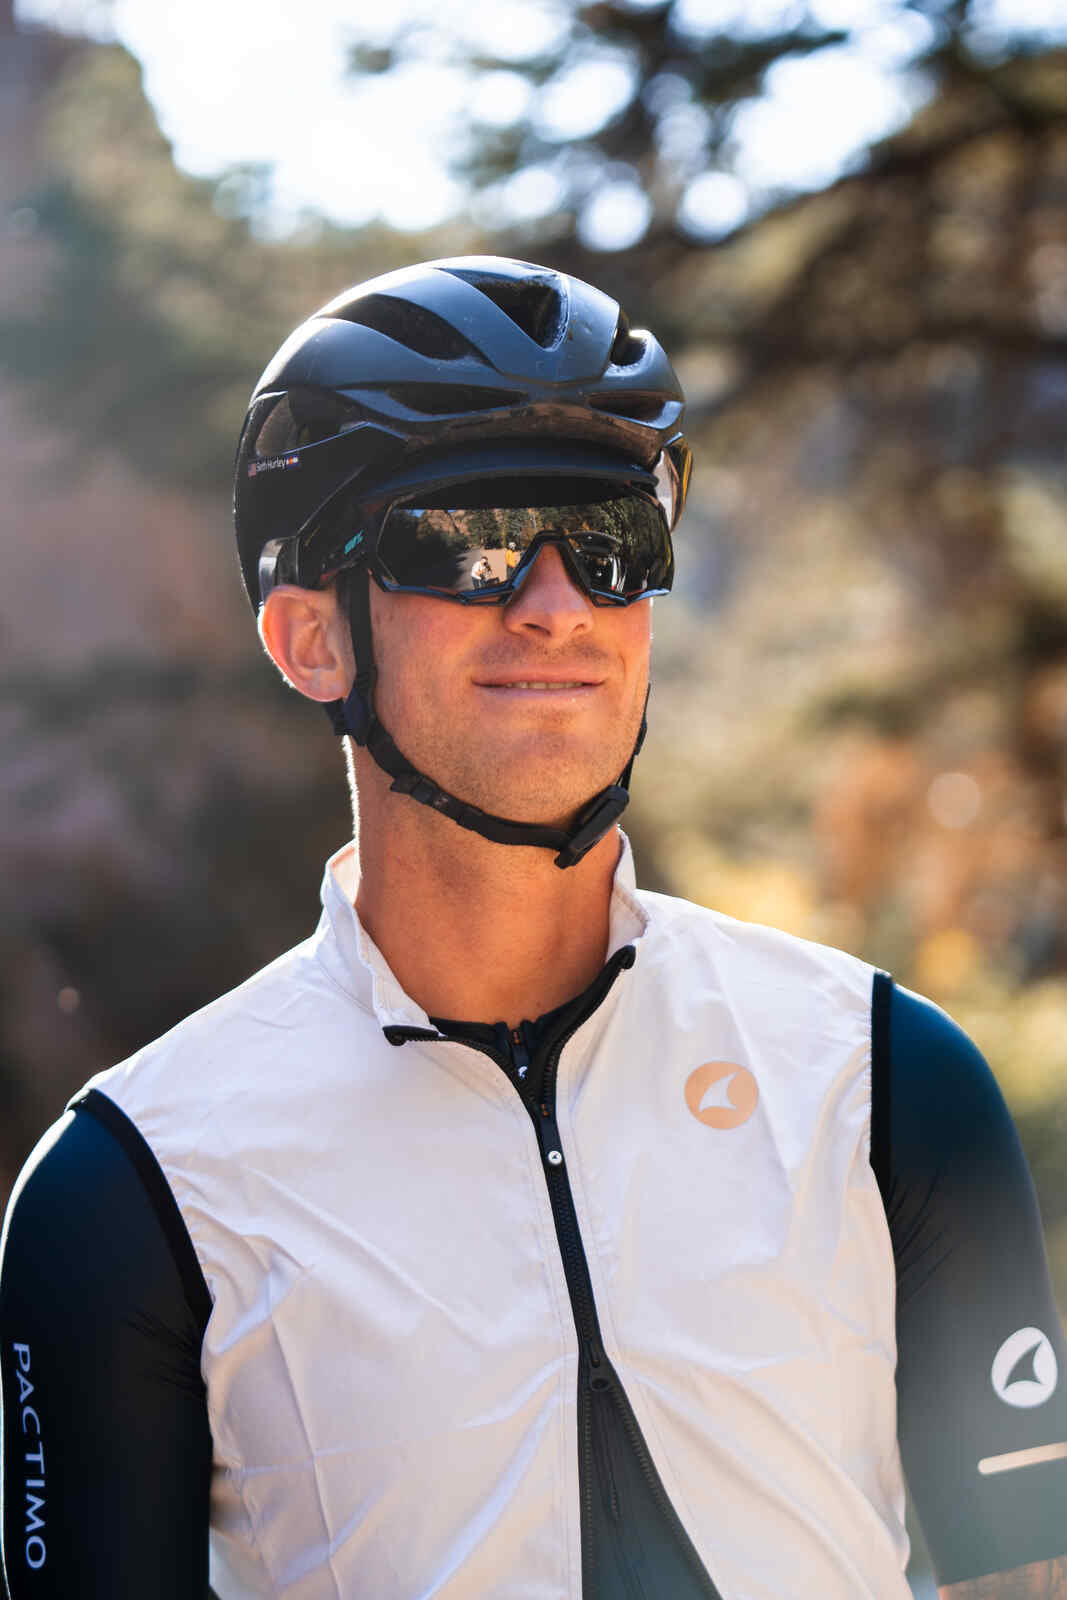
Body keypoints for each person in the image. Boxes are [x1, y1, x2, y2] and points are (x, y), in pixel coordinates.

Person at [1, 256, 1066, 1600]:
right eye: (468, 537)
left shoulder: (891, 1080)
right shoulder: (130, 1189)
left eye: (614, 542)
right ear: (309, 638)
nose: (556, 602)